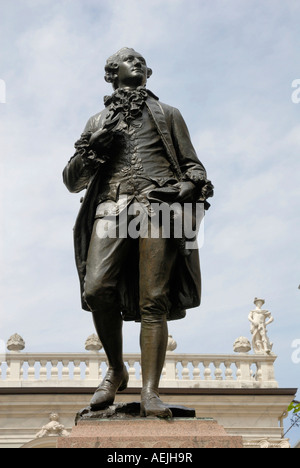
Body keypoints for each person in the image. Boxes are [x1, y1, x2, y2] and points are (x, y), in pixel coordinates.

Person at [63, 48, 213, 418]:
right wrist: (91, 150)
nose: (139, 64)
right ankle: (116, 368)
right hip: (111, 208)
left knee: (154, 299)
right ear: (112, 74)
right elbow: (72, 180)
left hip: (158, 208)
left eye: (143, 62)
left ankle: (149, 393)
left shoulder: (169, 115)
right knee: (96, 288)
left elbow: (194, 167)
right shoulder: (97, 121)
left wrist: (186, 188)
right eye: (130, 60)